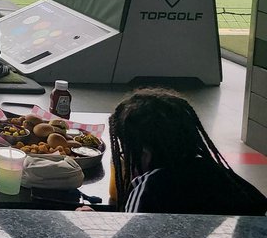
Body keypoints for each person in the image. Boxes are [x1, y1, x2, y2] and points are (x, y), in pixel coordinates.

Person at [109, 88, 267, 215]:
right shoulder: (214, 172)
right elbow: (258, 203)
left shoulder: (149, 188)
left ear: (145, 153)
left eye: (126, 152)